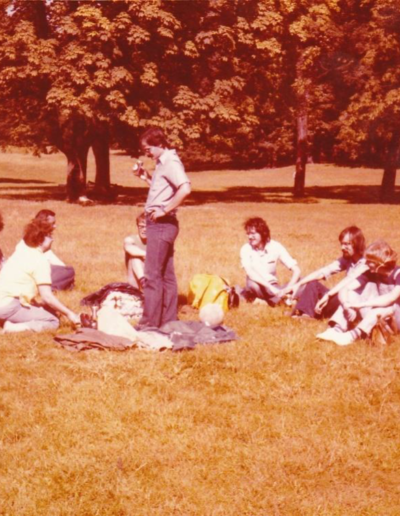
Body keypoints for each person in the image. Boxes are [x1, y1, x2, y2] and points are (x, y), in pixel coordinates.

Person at [133, 127, 191, 328]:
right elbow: (162, 190)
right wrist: (145, 177)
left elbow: (185, 189)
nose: (146, 153)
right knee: (166, 274)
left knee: (152, 275)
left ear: (160, 145)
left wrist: (164, 210)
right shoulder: (161, 164)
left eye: (148, 149)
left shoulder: (171, 162)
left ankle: (149, 323)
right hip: (160, 224)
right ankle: (168, 321)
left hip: (161, 224)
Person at [0, 219, 80, 333]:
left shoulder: (21, 250)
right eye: (50, 236)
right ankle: (12, 328)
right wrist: (69, 314)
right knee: (53, 321)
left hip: (4, 299)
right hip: (7, 305)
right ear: (41, 239)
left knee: (47, 310)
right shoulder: (40, 261)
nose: (52, 239)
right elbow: (47, 296)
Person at [317, 240, 400, 346]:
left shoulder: (398, 274)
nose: (365, 263)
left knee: (387, 307)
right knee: (352, 294)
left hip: (396, 316)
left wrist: (361, 305)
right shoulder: (371, 272)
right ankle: (336, 329)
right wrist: (346, 304)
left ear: (379, 262)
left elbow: (391, 298)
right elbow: (346, 289)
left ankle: (350, 336)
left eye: (369, 260)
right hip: (379, 316)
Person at [282, 226, 366, 319]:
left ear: (357, 244)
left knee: (336, 294)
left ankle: (305, 313)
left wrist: (328, 296)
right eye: (341, 244)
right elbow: (324, 271)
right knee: (313, 283)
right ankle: (304, 314)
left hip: (351, 300)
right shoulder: (347, 259)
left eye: (347, 244)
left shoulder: (366, 263)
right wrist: (298, 284)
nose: (342, 247)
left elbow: (348, 281)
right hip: (341, 294)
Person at [240, 217, 301, 305]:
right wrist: (272, 289)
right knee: (252, 283)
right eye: (248, 233)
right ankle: (282, 301)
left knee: (303, 281)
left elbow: (297, 270)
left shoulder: (275, 246)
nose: (250, 237)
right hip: (258, 286)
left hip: (275, 287)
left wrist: (288, 288)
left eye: (253, 233)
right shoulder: (245, 249)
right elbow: (250, 273)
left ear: (262, 233)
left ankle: (268, 301)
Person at [32, 210, 75, 290]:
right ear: (43, 223)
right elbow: (38, 260)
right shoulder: (35, 238)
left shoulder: (43, 236)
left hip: (39, 270)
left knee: (67, 272)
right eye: (52, 224)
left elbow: (49, 257)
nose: (55, 226)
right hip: (34, 272)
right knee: (69, 272)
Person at [124, 212, 147, 290]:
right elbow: (130, 249)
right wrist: (148, 254)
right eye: (141, 227)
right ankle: (143, 281)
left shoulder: (155, 241)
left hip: (152, 273)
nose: (144, 230)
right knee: (135, 257)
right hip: (135, 278)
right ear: (137, 227)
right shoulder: (130, 240)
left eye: (148, 227)